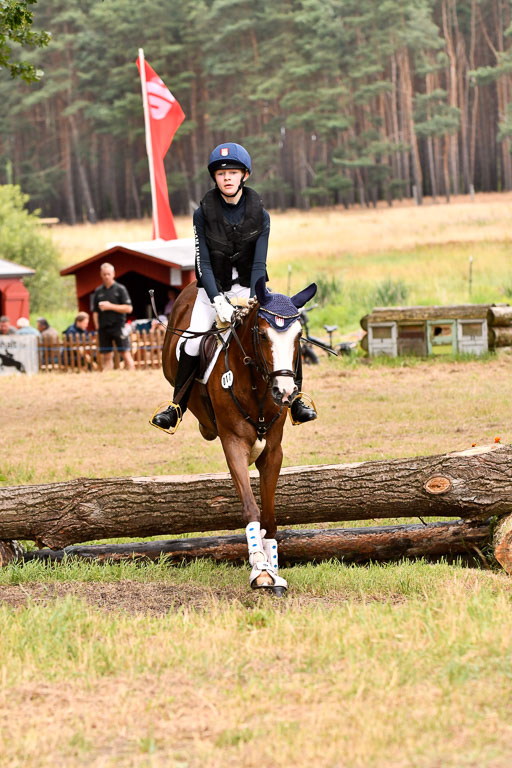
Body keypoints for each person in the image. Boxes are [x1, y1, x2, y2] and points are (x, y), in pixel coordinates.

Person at [151, 141, 317, 432]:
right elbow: (203, 262)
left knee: (282, 328)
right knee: (191, 343)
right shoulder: (202, 213)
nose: (226, 177)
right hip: (212, 291)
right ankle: (177, 406)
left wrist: (253, 299)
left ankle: (297, 399)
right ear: (214, 178)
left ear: (245, 175)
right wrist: (217, 300)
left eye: (233, 172)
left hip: (249, 288)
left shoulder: (261, 214)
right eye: (220, 173)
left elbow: (259, 263)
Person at [92, 263, 135, 371]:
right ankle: (108, 375)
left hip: (118, 326)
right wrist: (97, 327)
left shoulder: (120, 289)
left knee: (125, 353)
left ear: (113, 274)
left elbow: (129, 308)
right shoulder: (98, 291)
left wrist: (110, 306)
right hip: (103, 328)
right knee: (107, 356)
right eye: (104, 274)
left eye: (108, 274)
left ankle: (132, 373)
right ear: (101, 275)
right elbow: (95, 312)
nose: (106, 276)